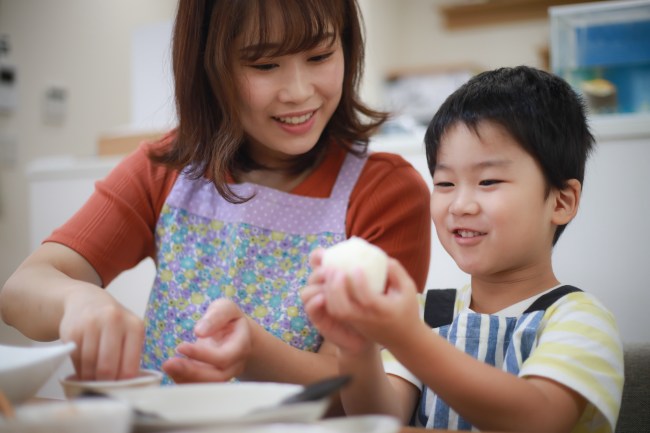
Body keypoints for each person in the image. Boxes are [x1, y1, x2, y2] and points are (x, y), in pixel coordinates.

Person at [0, 0, 431, 389]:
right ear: (208, 66)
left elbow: (357, 390)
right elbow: (20, 291)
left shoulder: (386, 193)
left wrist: (254, 352)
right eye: (264, 65)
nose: (299, 91)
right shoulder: (166, 169)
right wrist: (78, 299)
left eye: (320, 56)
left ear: (348, 48)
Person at [301, 66, 624, 432]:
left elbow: (538, 418)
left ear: (561, 201)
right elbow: (379, 420)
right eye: (445, 182)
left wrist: (408, 337)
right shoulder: (429, 313)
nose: (460, 205)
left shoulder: (579, 320)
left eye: (488, 181)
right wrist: (356, 349)